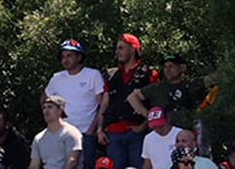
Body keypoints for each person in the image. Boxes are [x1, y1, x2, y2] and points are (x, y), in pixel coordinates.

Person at [98, 34, 157, 169]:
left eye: (121, 48)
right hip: (113, 133)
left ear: (133, 49)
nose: (117, 52)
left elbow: (156, 105)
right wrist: (100, 129)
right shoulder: (111, 74)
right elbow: (105, 103)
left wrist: (143, 126)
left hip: (138, 132)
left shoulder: (148, 73)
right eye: (117, 48)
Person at [45, 40, 103, 164]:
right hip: (62, 133)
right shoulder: (57, 78)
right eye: (63, 56)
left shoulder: (93, 75)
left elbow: (103, 104)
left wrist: (93, 129)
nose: (65, 60)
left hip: (85, 133)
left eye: (69, 55)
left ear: (79, 57)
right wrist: (52, 121)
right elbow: (44, 98)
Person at [29, 98, 81, 169]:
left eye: (50, 107)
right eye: (44, 108)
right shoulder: (39, 138)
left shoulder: (71, 133)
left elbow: (72, 161)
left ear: (60, 110)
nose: (46, 111)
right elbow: (34, 165)